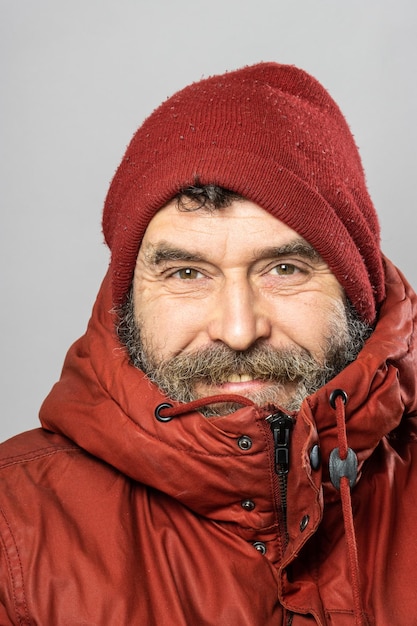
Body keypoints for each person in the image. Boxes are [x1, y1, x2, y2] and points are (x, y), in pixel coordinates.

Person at [0, 62, 416, 626]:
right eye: (187, 275)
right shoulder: (12, 531)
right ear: (127, 300)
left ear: (357, 291)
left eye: (285, 269)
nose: (239, 330)